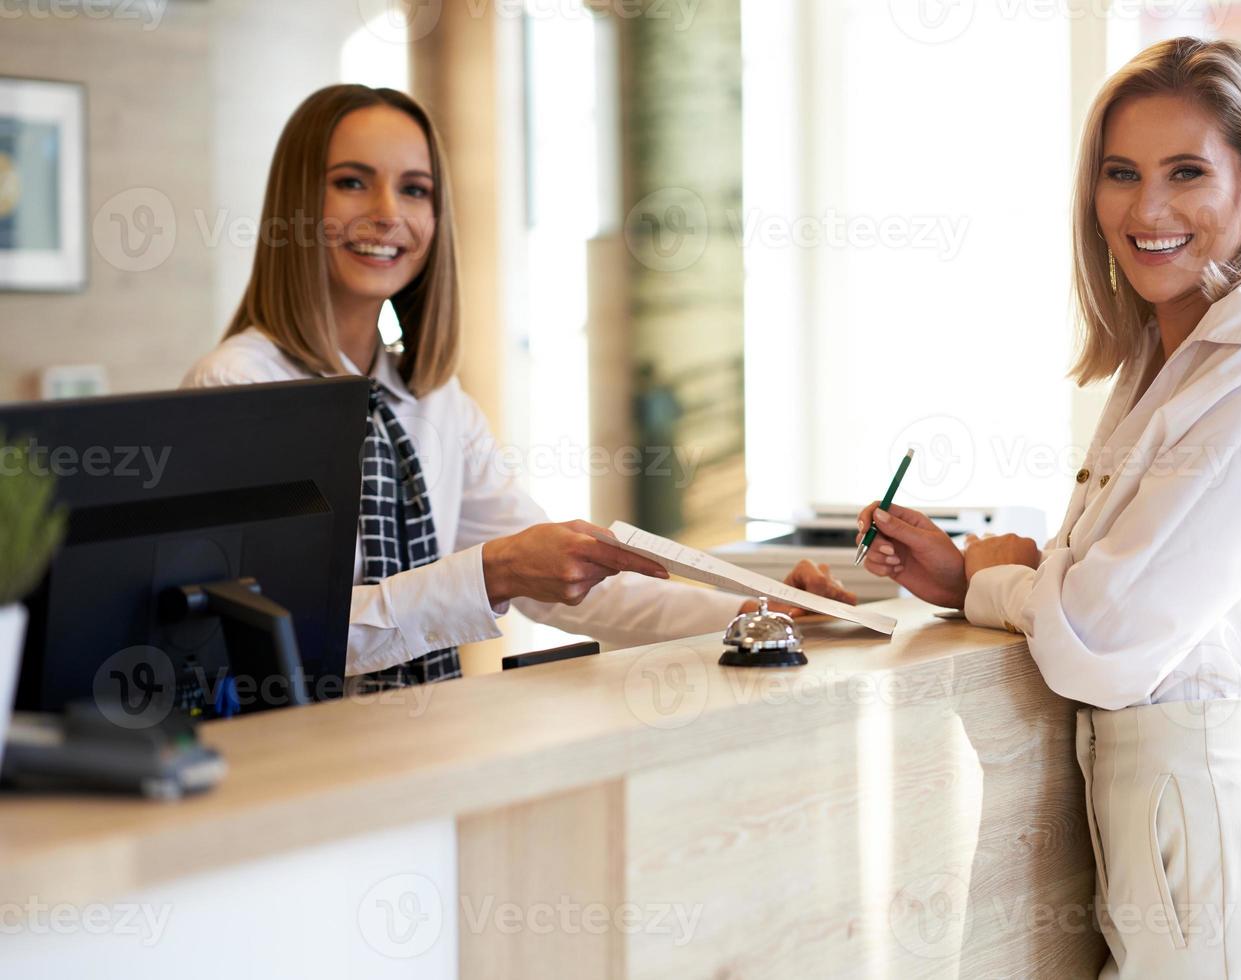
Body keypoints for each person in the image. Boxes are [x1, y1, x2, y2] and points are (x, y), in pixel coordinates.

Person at [855, 37, 1241, 978]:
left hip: (1225, 878)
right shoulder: (1167, 359)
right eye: (1121, 173)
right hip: (1182, 863)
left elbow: (1098, 642)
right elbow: (1097, 597)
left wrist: (999, 578)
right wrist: (972, 576)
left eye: (1187, 173)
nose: (1148, 209)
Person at [182, 85, 854, 691]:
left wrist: (754, 611)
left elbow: (576, 588)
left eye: (415, 189)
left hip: (419, 757)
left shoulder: (435, 404)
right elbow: (269, 633)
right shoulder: (237, 387)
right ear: (297, 207)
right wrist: (491, 572)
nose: (388, 213)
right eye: (353, 182)